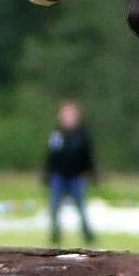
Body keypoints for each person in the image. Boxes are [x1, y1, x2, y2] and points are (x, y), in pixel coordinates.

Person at [43, 99, 96, 246]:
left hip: (76, 176)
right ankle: (55, 235)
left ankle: (88, 235)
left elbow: (88, 155)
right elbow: (51, 156)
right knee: (55, 206)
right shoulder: (57, 134)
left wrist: (91, 173)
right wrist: (46, 174)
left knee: (81, 207)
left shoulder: (82, 135)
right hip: (59, 176)